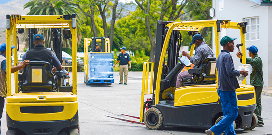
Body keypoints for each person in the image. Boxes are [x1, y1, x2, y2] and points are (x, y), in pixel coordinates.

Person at [205, 36, 248, 135]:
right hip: (228, 89)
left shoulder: (220, 56)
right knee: (233, 114)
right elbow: (230, 71)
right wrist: (241, 72)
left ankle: (230, 134)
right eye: (232, 43)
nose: (233, 45)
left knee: (227, 115)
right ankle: (214, 130)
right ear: (228, 44)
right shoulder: (227, 56)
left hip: (222, 88)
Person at [0, 43, 29, 132]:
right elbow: (7, 70)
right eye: (11, 50)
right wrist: (21, 66)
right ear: (6, 51)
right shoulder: (3, 60)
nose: (12, 52)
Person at [236, 45, 264, 126]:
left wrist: (242, 57)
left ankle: (259, 120)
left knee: (256, 101)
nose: (248, 53)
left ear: (251, 53)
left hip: (257, 84)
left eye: (248, 51)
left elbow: (249, 61)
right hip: (256, 83)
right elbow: (246, 61)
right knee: (257, 101)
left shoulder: (257, 60)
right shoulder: (254, 59)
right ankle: (258, 119)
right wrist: (242, 58)